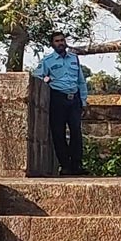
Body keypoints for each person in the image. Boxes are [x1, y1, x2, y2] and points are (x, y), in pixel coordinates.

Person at [32, 31, 89, 175]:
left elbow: (81, 81)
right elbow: (37, 76)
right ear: (52, 44)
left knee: (76, 132)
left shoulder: (74, 58)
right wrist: (47, 80)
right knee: (59, 133)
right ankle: (65, 165)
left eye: (62, 40)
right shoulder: (48, 61)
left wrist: (83, 101)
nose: (60, 43)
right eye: (57, 41)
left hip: (73, 98)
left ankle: (76, 165)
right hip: (57, 98)